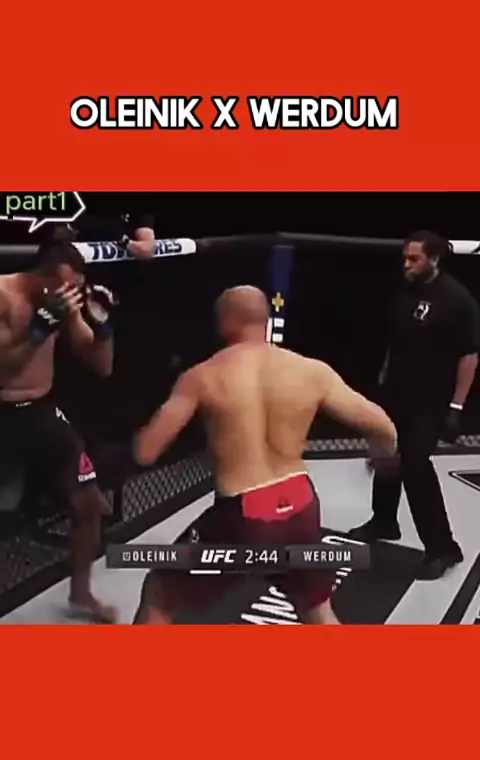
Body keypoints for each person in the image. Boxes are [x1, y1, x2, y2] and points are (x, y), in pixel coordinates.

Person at [131, 285, 398, 625]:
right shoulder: (311, 370)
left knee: (159, 590)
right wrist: (381, 455)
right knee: (315, 608)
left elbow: (145, 453)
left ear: (224, 322)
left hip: (242, 514)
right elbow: (383, 427)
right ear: (265, 319)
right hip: (301, 506)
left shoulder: (202, 376)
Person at [0, 237, 118, 622]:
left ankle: (81, 593)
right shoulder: (4, 296)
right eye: (64, 287)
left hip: (37, 410)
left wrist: (103, 326)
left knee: (90, 505)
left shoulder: (60, 300)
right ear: (41, 277)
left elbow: (102, 366)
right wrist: (39, 328)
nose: (70, 296)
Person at [349, 231, 480, 578]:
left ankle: (443, 548)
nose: (406, 264)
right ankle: (384, 520)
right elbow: (397, 341)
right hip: (396, 390)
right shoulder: (408, 290)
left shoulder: (457, 299)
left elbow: (469, 356)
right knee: (386, 454)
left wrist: (456, 407)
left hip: (429, 399)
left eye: (414, 259)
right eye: (405, 258)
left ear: (434, 259)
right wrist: (382, 383)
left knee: (416, 468)